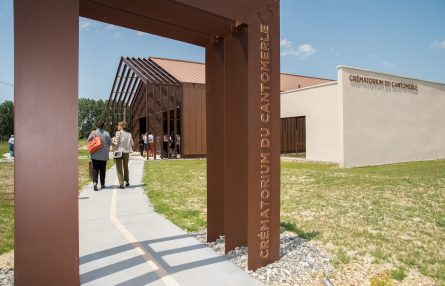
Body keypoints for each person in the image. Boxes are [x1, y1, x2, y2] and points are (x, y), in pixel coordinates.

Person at [87, 121, 111, 191]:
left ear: (97, 126)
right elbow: (109, 143)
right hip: (104, 155)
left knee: (95, 169)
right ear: (103, 126)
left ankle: (95, 183)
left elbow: (88, 141)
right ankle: (102, 184)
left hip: (95, 154)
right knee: (103, 169)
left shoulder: (93, 133)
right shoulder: (107, 133)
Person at [113, 121, 133, 189]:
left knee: (119, 168)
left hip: (119, 151)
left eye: (118, 125)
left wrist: (113, 142)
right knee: (126, 167)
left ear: (121, 126)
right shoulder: (129, 134)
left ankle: (121, 184)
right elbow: (132, 143)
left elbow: (116, 143)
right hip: (126, 152)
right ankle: (127, 181)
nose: (117, 126)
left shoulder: (118, 133)